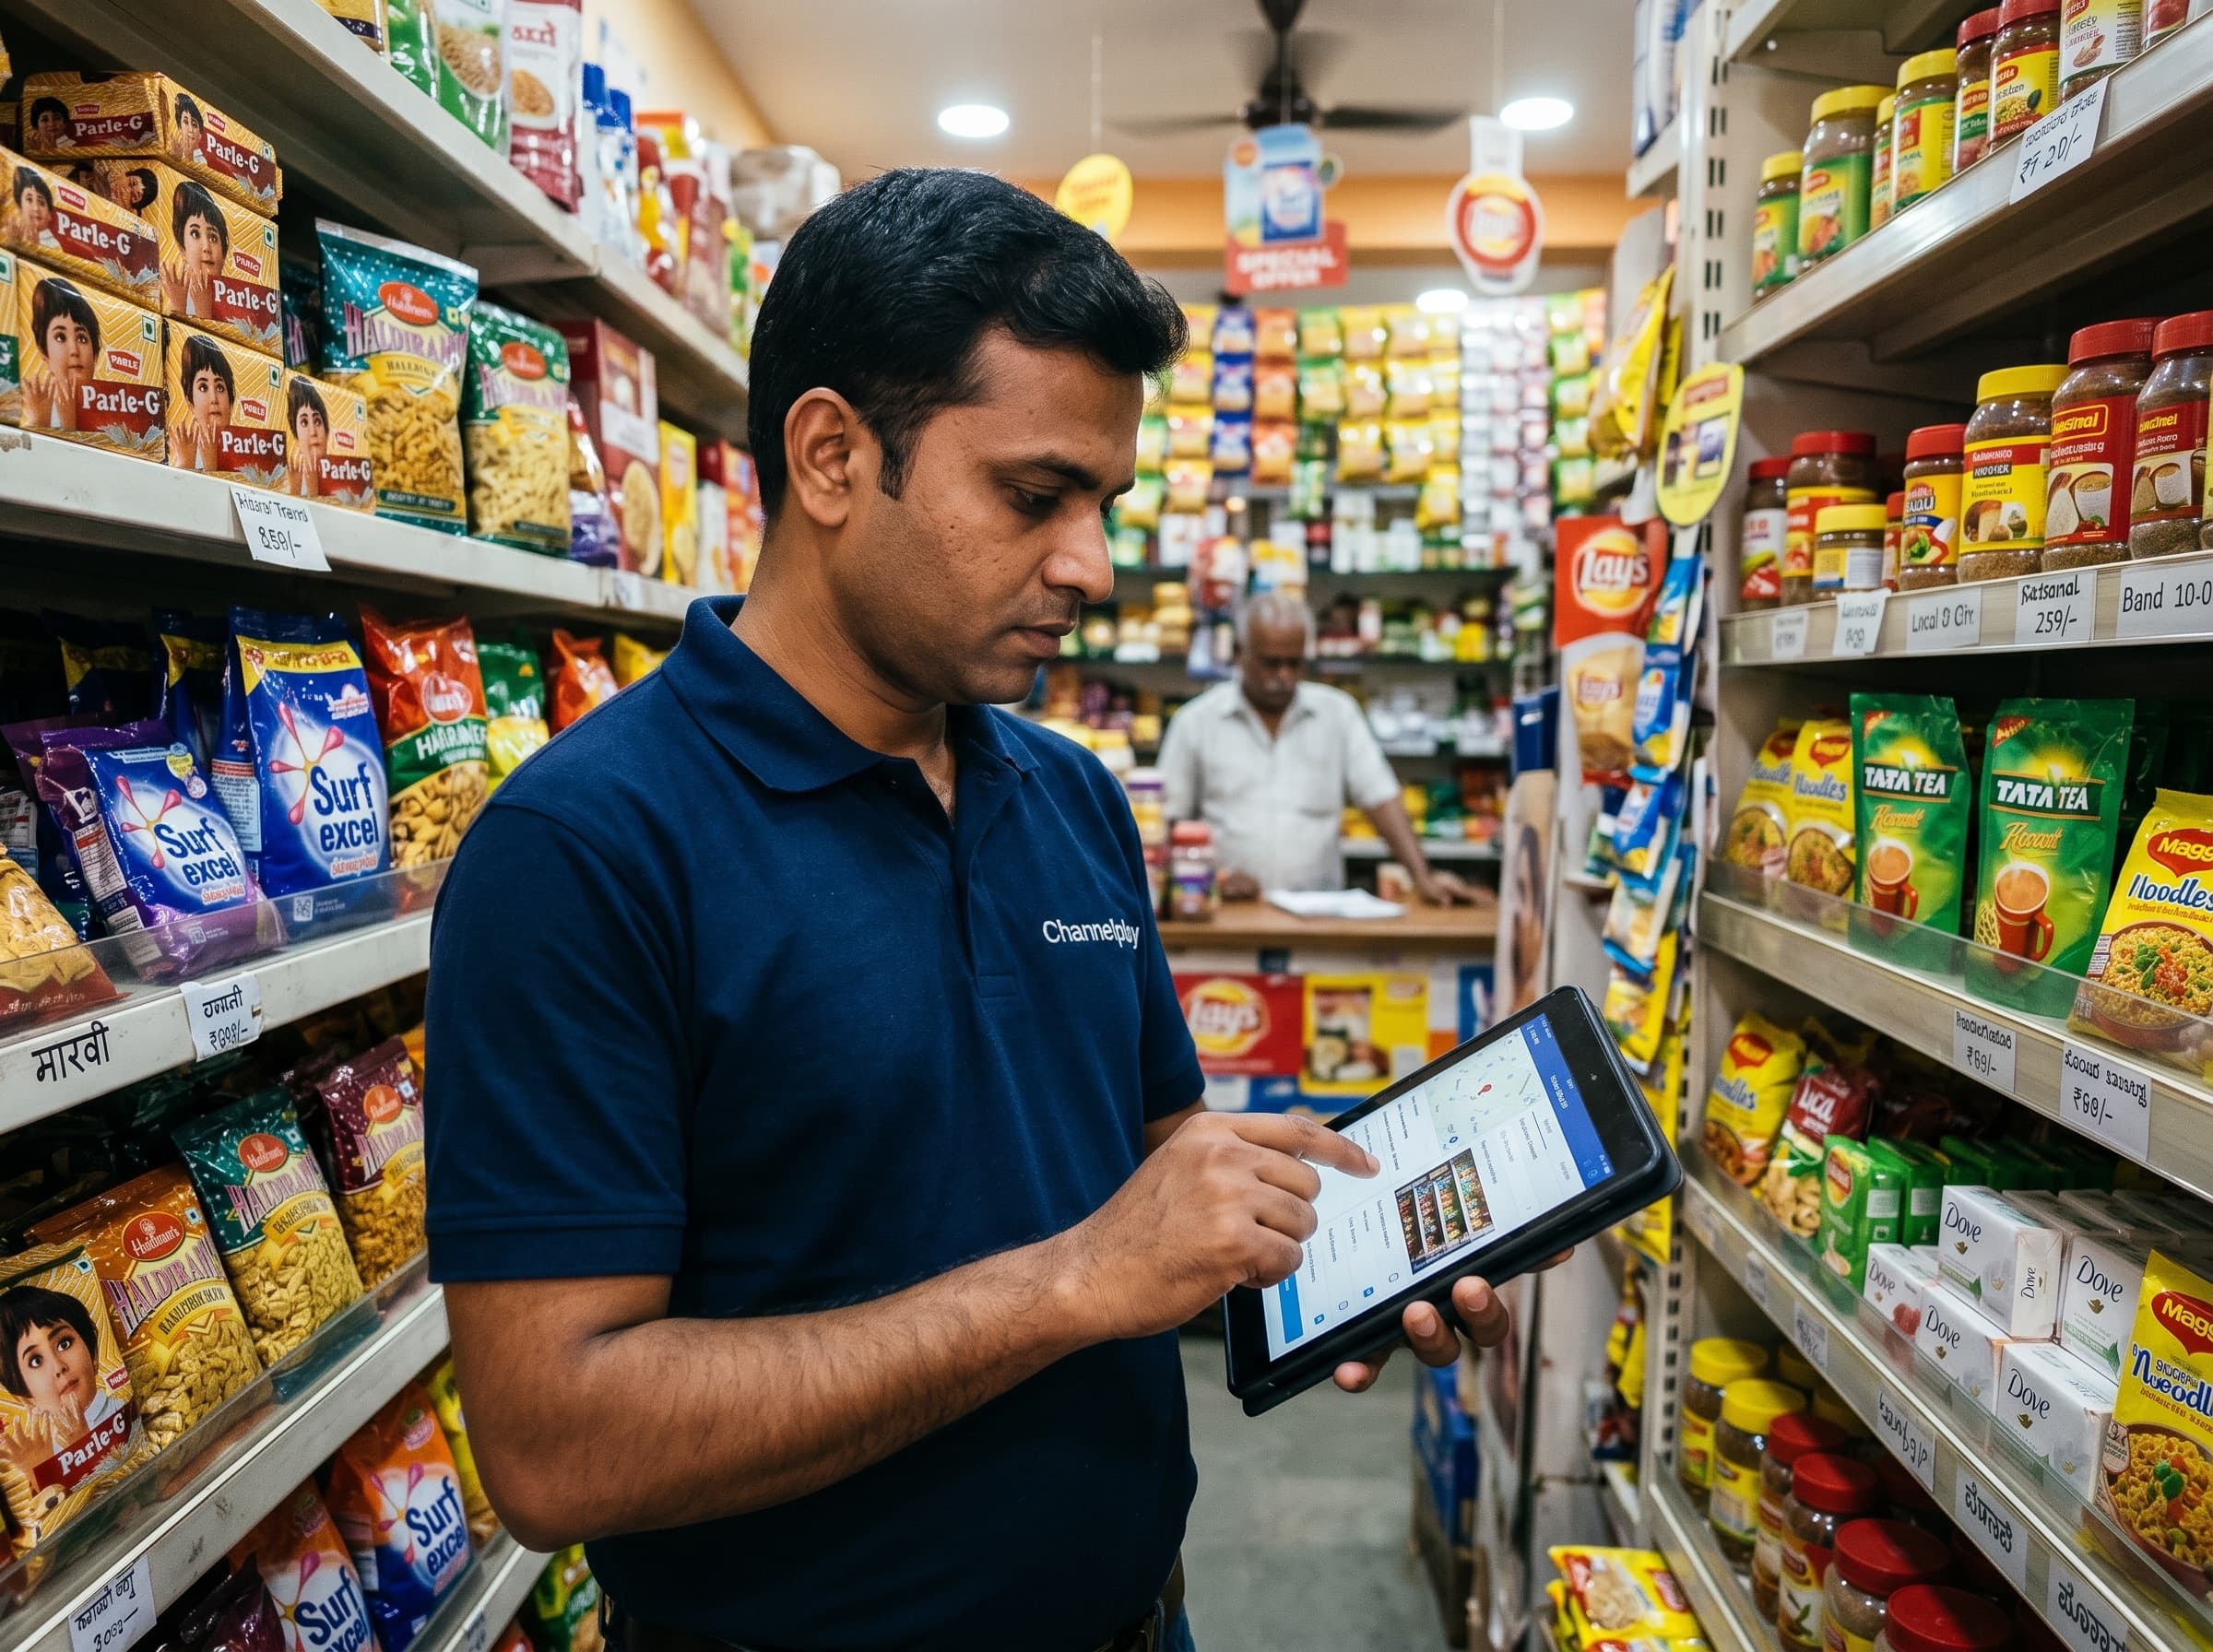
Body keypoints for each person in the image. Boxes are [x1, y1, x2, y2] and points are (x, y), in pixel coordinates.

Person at [425, 168, 1525, 1652]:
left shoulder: (1069, 798)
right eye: (1033, 495)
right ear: (830, 456)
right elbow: (555, 1444)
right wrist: (1073, 1282)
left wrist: (1353, 1235)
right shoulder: (583, 850)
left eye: (1108, 505)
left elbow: (1137, 1157)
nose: (1089, 564)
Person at [1156, 590, 1481, 903]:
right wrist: (1214, 879)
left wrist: (1421, 874)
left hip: (1318, 914)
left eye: (1295, 663)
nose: (1284, 676)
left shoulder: (1337, 714)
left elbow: (1380, 797)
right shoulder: (1195, 722)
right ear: (1240, 653)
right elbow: (1165, 821)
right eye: (1271, 663)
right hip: (1225, 913)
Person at [0, 1284, 120, 1451]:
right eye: (36, 1361)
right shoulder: (45, 1453)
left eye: (64, 1344)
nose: (58, 1367)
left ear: (93, 1355)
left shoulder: (121, 1412)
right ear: (26, 1399)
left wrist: (85, 1442)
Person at [25, 277, 99, 434]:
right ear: (44, 353)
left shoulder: (110, 413)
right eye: (60, 337)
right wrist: (40, 422)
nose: (74, 350)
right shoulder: (43, 409)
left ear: (95, 355)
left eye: (82, 338)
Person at [166, 179, 228, 320]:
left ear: (224, 253)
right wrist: (179, 305)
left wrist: (204, 310)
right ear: (182, 248)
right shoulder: (181, 295)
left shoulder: (233, 303)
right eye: (195, 234)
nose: (207, 248)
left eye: (213, 237)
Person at [174, 331, 234, 473]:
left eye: (220, 387)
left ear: (231, 402)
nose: (214, 399)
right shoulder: (186, 454)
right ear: (190, 402)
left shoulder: (245, 458)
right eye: (203, 387)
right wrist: (186, 463)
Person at [287, 375, 329, 499]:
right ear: (296, 436)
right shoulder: (291, 478)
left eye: (317, 421)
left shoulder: (344, 477)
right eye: (304, 422)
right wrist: (295, 488)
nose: (313, 432)